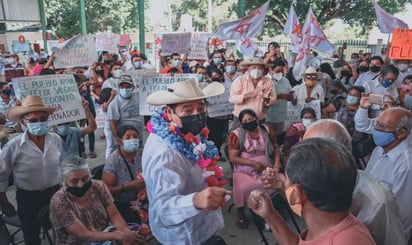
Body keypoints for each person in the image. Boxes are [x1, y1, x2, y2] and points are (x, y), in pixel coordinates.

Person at [142, 79, 230, 244]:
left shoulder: (188, 133)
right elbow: (163, 209)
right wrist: (196, 200)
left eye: (201, 108)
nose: (196, 115)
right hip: (187, 236)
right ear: (169, 112)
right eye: (188, 110)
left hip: (204, 226)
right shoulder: (164, 153)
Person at [248, 138, 375, 245]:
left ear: (297, 194)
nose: (284, 182)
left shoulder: (345, 241)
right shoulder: (328, 223)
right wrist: (270, 215)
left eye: (286, 177)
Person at [0, 95, 63, 245]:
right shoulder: (13, 146)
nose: (39, 123)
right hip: (28, 198)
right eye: (33, 120)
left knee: (61, 231)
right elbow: (1, 175)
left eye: (42, 119)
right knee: (31, 236)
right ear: (23, 121)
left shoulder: (56, 139)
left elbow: (62, 165)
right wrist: (4, 202)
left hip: (55, 194)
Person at [49, 157, 143, 245]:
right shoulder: (59, 201)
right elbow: (85, 234)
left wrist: (126, 232)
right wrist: (119, 235)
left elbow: (114, 215)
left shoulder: (98, 186)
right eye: (74, 181)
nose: (81, 185)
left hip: (105, 235)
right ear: (64, 181)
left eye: (85, 179)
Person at [228, 109, 280, 229]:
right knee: (245, 187)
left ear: (257, 119)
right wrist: (252, 163)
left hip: (267, 167)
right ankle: (240, 212)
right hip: (244, 167)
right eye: (245, 121)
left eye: (251, 119)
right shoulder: (237, 134)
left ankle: (273, 208)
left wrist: (277, 163)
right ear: (241, 123)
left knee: (280, 180)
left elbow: (276, 147)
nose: (249, 122)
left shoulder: (266, 130)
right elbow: (233, 157)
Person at [365, 107, 412, 239]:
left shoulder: (406, 167)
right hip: (368, 222)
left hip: (386, 233)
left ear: (401, 133)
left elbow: (402, 215)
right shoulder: (379, 150)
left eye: (382, 126)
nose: (376, 130)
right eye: (377, 124)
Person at [102, 125, 146, 223]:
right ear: (119, 141)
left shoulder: (144, 155)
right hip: (124, 205)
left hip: (145, 201)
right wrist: (126, 187)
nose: (132, 139)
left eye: (135, 136)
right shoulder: (113, 161)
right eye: (128, 137)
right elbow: (105, 190)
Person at [229, 57, 276, 129]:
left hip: (259, 119)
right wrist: (250, 95)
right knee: (240, 138)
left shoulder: (268, 82)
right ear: (248, 68)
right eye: (254, 67)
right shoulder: (240, 80)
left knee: (259, 139)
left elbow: (273, 100)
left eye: (259, 68)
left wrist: (268, 100)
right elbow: (232, 99)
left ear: (263, 70)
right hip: (241, 118)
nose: (256, 70)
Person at [107, 75, 144, 157]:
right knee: (126, 157)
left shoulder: (138, 96)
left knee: (139, 157)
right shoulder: (115, 103)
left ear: (133, 87)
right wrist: (117, 138)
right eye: (122, 87)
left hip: (138, 135)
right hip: (126, 138)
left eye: (128, 86)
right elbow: (113, 123)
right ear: (118, 88)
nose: (125, 89)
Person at [265, 59, 296, 134]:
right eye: (278, 71)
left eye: (282, 71)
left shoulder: (285, 80)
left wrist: (290, 97)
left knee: (279, 139)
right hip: (268, 117)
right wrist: (278, 97)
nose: (280, 73)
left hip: (281, 118)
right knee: (268, 139)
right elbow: (263, 100)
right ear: (270, 70)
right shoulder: (265, 81)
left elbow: (292, 96)